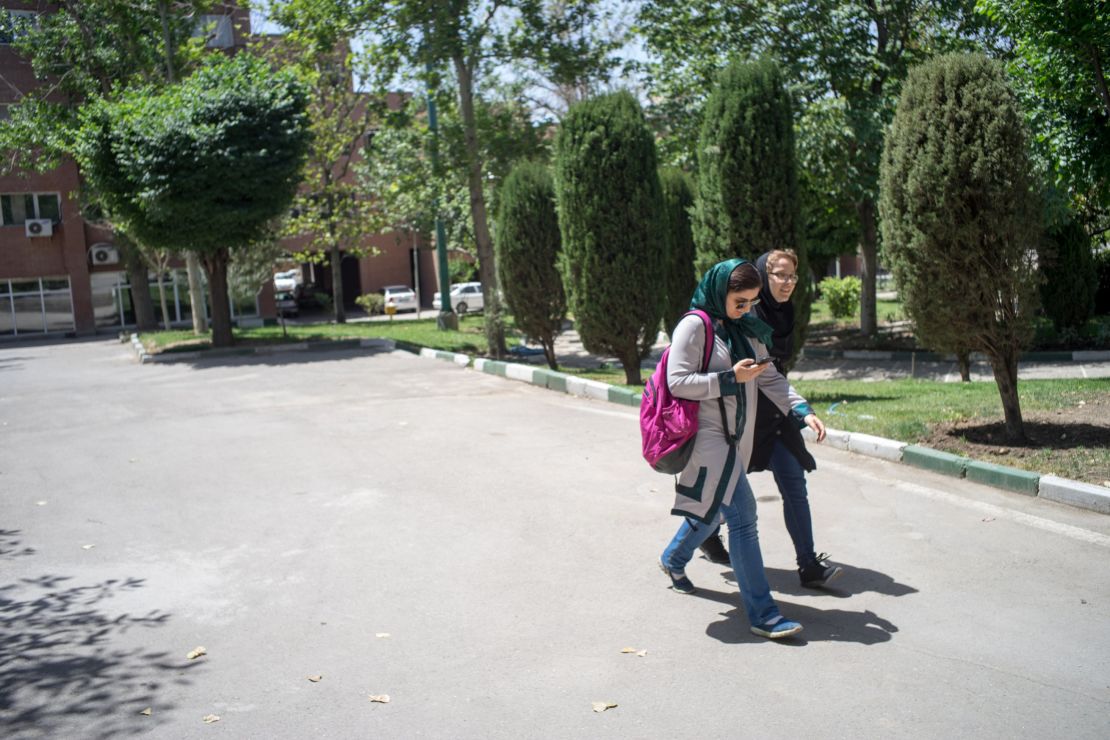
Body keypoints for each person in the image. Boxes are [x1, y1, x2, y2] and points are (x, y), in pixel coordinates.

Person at [657, 258, 822, 639]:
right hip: (706, 439)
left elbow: (771, 379)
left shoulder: (746, 328)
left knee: (712, 510)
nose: (747, 309)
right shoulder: (694, 324)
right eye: (740, 302)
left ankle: (673, 557)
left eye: (751, 301)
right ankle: (763, 614)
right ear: (720, 291)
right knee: (743, 517)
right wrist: (730, 378)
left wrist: (802, 411)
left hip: (736, 439)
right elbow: (677, 381)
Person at [698, 249, 842, 588]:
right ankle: (684, 546)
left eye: (793, 275)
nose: (788, 282)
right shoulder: (745, 313)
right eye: (780, 274)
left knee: (794, 482)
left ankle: (808, 565)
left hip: (776, 415)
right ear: (764, 276)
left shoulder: (784, 312)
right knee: (723, 492)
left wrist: (802, 411)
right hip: (743, 418)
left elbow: (773, 373)